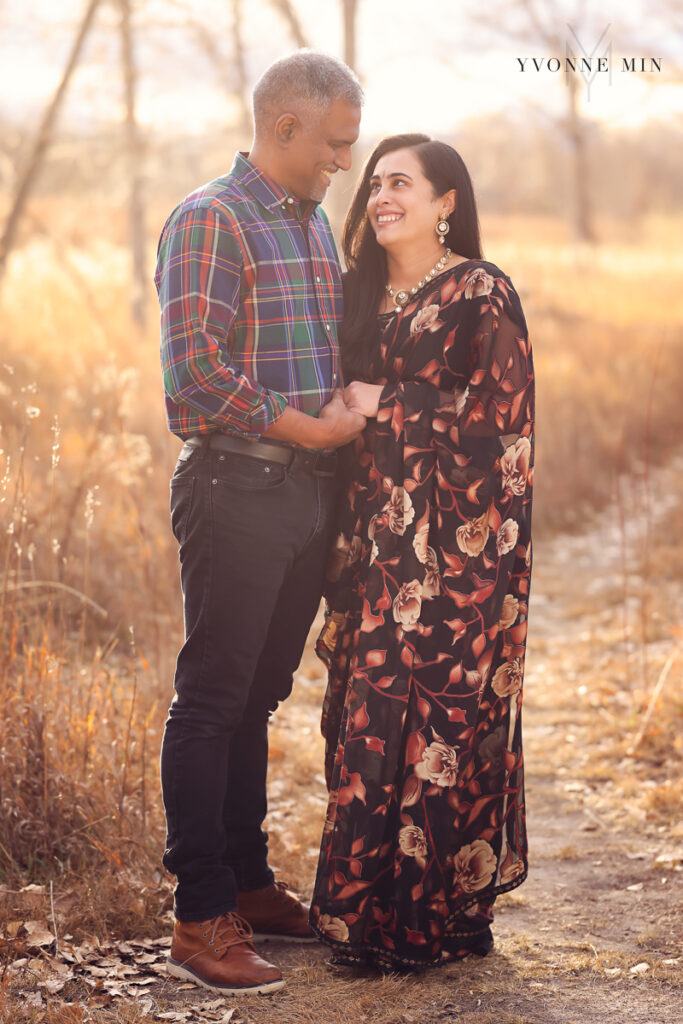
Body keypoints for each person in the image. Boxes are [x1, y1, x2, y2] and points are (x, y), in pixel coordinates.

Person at [154, 51, 364, 995]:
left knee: (256, 697)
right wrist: (313, 426)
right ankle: (200, 916)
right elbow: (193, 375)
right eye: (332, 144)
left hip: (307, 497)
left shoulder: (314, 225)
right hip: (237, 489)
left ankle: (245, 879)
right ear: (283, 128)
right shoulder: (212, 219)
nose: (341, 164)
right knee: (210, 699)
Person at [309, 134, 535, 971]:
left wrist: (389, 402)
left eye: (400, 182)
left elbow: (501, 427)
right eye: (373, 184)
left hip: (457, 553)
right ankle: (368, 921)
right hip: (371, 546)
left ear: (446, 202)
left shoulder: (481, 291)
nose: (380, 196)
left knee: (443, 718)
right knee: (366, 719)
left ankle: (435, 918)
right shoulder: (356, 290)